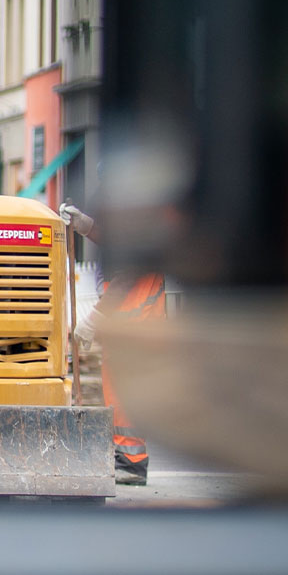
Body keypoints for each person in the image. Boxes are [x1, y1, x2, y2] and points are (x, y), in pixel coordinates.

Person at [61, 203, 164, 486]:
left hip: (136, 329)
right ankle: (126, 457)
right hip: (129, 328)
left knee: (124, 396)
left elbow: (127, 276)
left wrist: (94, 318)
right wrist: (86, 226)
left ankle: (132, 462)